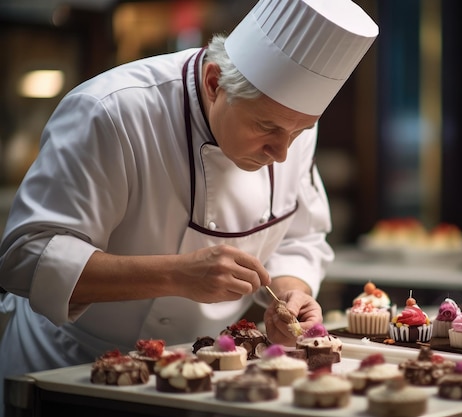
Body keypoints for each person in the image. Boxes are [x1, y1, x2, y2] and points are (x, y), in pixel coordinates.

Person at [0, 0, 378, 412]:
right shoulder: (112, 112)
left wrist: (290, 292)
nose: (283, 153)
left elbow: (301, 235)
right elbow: (25, 257)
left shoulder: (290, 123)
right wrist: (177, 275)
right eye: (266, 127)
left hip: (205, 376)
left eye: (300, 131)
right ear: (215, 83)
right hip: (70, 374)